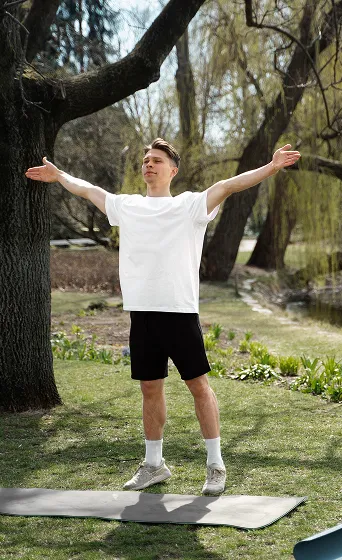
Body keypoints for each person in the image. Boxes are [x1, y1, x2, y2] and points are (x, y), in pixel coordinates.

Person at [26, 138, 300, 495]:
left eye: (156, 160)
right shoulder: (128, 206)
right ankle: (154, 465)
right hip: (142, 312)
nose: (148, 165)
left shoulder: (190, 206)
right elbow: (88, 190)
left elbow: (231, 185)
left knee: (198, 387)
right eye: (145, 160)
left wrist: (272, 166)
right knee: (149, 388)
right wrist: (59, 174)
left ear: (172, 170)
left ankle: (215, 465)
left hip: (179, 311)